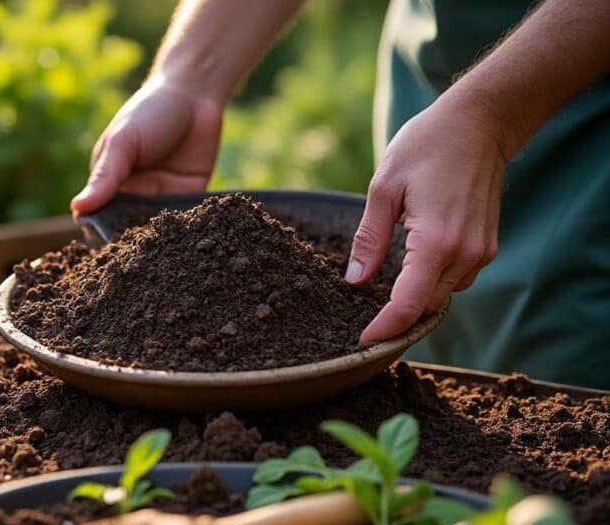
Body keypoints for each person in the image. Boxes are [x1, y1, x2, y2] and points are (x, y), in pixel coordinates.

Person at [70, 0, 610, 388]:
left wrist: (491, 116)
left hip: (586, 128)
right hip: (439, 91)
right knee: (417, 320)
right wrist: (188, 78)